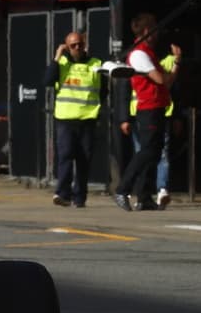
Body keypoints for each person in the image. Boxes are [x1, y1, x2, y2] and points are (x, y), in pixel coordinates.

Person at [114, 13, 182, 211]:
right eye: (154, 29)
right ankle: (123, 189)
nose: (158, 33)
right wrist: (176, 63)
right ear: (146, 31)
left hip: (157, 107)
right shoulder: (139, 53)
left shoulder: (148, 52)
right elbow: (162, 80)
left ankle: (144, 196)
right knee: (147, 151)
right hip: (148, 108)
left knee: (154, 152)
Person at [44, 32, 103, 208]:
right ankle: (63, 194)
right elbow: (47, 81)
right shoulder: (61, 63)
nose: (77, 48)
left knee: (84, 159)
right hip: (66, 119)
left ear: (84, 44)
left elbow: (103, 90)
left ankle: (79, 197)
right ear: (66, 47)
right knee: (66, 157)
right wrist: (56, 57)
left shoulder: (96, 64)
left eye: (79, 44)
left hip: (87, 119)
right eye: (73, 45)